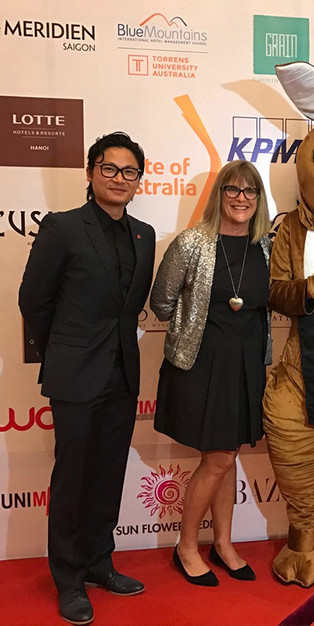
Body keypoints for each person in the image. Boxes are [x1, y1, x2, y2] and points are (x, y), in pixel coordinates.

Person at [19, 132, 155, 624]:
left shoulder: (144, 234)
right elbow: (33, 300)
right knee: (72, 478)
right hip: (75, 375)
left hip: (123, 374)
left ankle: (100, 562)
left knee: (108, 476)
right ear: (91, 172)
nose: (120, 179)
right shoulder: (63, 228)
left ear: (139, 180)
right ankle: (69, 579)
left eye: (129, 172)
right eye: (110, 168)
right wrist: (66, 348)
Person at [150, 160, 272, 586]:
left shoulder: (266, 247)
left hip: (247, 364)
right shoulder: (190, 244)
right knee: (218, 457)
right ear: (218, 194)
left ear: (259, 200)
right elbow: (162, 303)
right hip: (201, 365)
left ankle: (223, 543)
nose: (241, 198)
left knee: (227, 456)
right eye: (232, 189)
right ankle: (186, 547)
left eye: (250, 191)